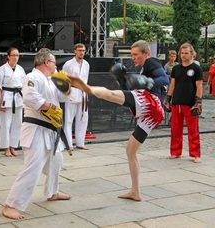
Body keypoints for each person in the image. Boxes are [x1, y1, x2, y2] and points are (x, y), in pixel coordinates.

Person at [68, 40, 168, 201]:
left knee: (111, 94)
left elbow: (164, 79)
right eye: (132, 55)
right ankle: (135, 191)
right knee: (130, 150)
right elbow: (129, 92)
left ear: (146, 53)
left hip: (151, 103)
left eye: (136, 55)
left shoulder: (151, 61)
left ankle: (84, 87)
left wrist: (149, 82)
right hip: (152, 114)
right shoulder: (142, 69)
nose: (133, 58)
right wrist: (122, 80)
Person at [2, 48, 71, 220]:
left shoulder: (50, 79)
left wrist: (66, 87)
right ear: (47, 62)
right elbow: (30, 98)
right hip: (36, 130)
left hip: (50, 130)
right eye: (54, 62)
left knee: (56, 162)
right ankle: (11, 205)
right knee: (32, 168)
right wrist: (50, 107)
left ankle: (52, 192)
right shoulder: (32, 77)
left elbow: (63, 98)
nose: (56, 65)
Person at [164, 43, 203, 163]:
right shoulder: (176, 68)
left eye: (186, 53)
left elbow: (199, 85)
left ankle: (195, 154)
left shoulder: (196, 68)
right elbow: (172, 84)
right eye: (182, 53)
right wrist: (168, 99)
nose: (183, 55)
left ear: (192, 54)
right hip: (177, 102)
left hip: (190, 103)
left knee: (193, 130)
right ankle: (176, 152)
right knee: (175, 129)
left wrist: (198, 102)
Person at [0, 48, 26, 157]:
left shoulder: (21, 69)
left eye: (17, 55)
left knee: (18, 124)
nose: (15, 57)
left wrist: (25, 101)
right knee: (5, 124)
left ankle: (13, 146)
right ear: (8, 56)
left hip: (18, 98)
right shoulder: (1, 70)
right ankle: (6, 147)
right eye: (13, 55)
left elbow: (24, 86)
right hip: (6, 98)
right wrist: (0, 103)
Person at [62, 43, 90, 150]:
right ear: (75, 51)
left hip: (83, 94)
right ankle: (68, 144)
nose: (81, 52)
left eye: (83, 50)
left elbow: (85, 79)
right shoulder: (68, 64)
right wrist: (66, 91)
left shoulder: (87, 64)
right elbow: (63, 79)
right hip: (72, 92)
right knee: (69, 120)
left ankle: (80, 143)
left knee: (82, 119)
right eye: (79, 50)